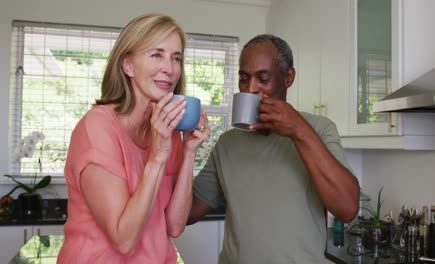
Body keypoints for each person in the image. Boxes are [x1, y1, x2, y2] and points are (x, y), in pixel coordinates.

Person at [188, 34, 360, 263]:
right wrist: (176, 151)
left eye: (263, 78)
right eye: (244, 79)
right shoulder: (227, 144)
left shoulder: (319, 129)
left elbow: (347, 209)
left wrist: (298, 129)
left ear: (288, 77)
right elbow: (188, 212)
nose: (251, 89)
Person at [58, 13, 210, 263]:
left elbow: (174, 226)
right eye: (156, 54)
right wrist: (158, 156)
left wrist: (189, 150)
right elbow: (124, 240)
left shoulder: (166, 132)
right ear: (127, 65)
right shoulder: (97, 127)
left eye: (176, 58)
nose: (169, 69)